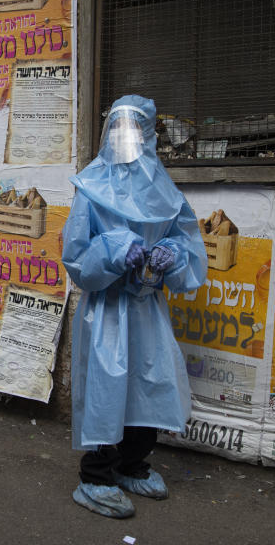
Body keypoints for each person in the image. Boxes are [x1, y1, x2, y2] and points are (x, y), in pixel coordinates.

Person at [62, 94, 208, 518]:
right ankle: (96, 476)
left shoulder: (164, 189)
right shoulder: (91, 186)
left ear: (149, 134)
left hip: (147, 307)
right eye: (120, 127)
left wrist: (172, 257)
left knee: (148, 384)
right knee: (107, 390)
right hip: (107, 309)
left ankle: (132, 463)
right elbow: (76, 256)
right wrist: (113, 251)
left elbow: (188, 246)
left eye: (135, 128)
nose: (127, 137)